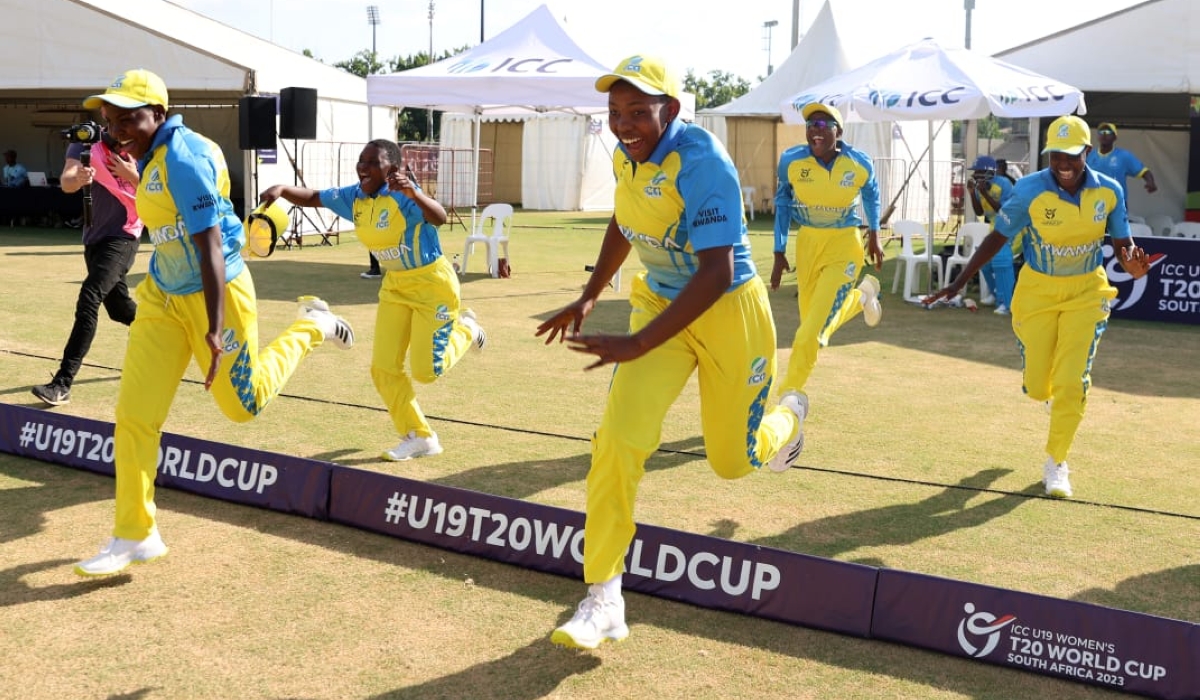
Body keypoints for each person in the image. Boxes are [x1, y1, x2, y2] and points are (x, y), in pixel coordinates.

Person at [535, 55, 803, 650]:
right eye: (614, 113)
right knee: (617, 443)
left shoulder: (704, 163)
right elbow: (624, 221)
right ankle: (603, 596)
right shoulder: (626, 157)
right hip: (658, 307)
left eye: (638, 112)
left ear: (671, 110)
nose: (624, 124)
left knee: (732, 462)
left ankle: (788, 418)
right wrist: (588, 296)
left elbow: (715, 271)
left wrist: (634, 344)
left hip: (728, 309)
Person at [74, 68, 356, 577]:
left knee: (242, 406)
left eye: (127, 117)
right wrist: (137, 179)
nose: (115, 127)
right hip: (161, 295)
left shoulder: (185, 155)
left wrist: (212, 324)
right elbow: (169, 217)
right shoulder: (153, 156)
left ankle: (311, 326)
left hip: (216, 294)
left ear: (157, 113)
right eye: (109, 119)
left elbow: (208, 245)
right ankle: (134, 534)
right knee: (134, 416)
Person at [923, 115, 1149, 500]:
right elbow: (998, 238)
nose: (1063, 163)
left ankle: (1056, 462)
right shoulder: (1028, 190)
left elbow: (1122, 245)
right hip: (1037, 292)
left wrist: (1132, 262)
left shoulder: (1109, 191)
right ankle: (1047, 394)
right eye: (1056, 155)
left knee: (1072, 382)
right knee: (1038, 386)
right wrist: (959, 283)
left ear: (1087, 153)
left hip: (1086, 293)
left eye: (1071, 156)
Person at [261, 138, 485, 462]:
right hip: (394, 286)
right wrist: (282, 189)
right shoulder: (355, 196)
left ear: (391, 169)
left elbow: (438, 218)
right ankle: (419, 436)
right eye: (360, 161)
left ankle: (467, 330)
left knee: (426, 372)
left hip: (432, 285)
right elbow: (315, 197)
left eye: (371, 163)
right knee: (383, 368)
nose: (362, 167)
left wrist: (414, 193)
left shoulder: (403, 197)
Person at [770, 101, 884, 436]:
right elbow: (782, 203)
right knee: (812, 327)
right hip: (808, 244)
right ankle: (862, 296)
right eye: (810, 124)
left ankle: (791, 394)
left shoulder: (858, 162)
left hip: (844, 246)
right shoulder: (791, 160)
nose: (815, 130)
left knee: (810, 333)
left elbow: (872, 194)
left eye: (822, 123)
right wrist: (778, 250)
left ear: (838, 131)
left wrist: (874, 233)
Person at [31, 129, 141, 406]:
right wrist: (78, 178)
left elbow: (162, 191)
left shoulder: (144, 142)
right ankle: (162, 331)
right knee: (119, 309)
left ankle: (62, 383)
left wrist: (133, 176)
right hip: (93, 238)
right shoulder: (86, 141)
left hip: (125, 235)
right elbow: (67, 181)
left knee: (89, 298)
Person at [966, 155, 1017, 314]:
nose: (974, 175)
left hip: (1012, 224)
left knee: (1001, 261)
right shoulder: (979, 186)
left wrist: (985, 193)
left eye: (978, 172)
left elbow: (1004, 211)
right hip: (995, 226)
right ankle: (996, 295)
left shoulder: (1004, 184)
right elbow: (980, 212)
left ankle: (1007, 304)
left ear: (988, 172)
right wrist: (972, 193)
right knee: (983, 260)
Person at [1086, 122, 1157, 199]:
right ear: (1098, 136)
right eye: (1101, 132)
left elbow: (1144, 171)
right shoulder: (1089, 155)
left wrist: (1150, 182)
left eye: (1108, 132)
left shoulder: (1124, 156)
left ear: (1115, 137)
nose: (1104, 134)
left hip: (1117, 203)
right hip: (1094, 202)